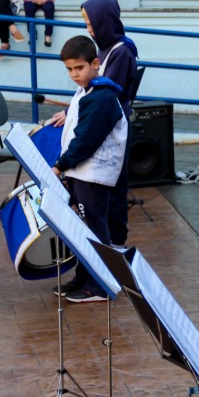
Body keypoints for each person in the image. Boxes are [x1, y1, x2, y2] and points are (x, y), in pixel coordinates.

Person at [52, 36, 128, 303]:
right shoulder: (86, 91)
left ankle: (101, 284)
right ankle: (84, 276)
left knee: (95, 229)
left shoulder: (102, 96)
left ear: (95, 64)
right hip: (81, 172)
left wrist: (60, 166)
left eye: (79, 68)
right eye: (69, 69)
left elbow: (86, 139)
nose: (74, 74)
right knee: (82, 228)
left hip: (93, 175)